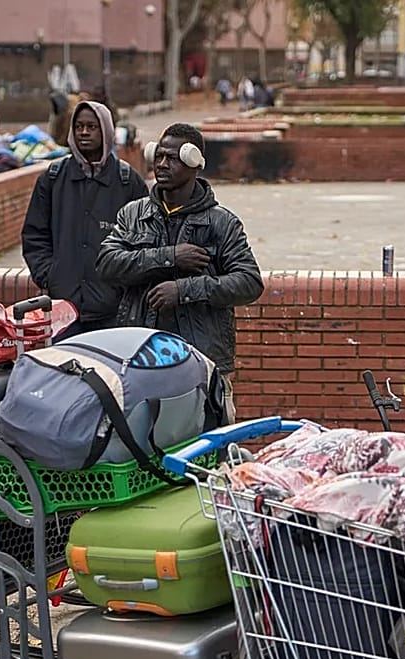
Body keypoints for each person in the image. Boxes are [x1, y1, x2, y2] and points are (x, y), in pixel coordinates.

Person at [96, 123, 264, 423]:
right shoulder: (133, 214)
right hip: (141, 358)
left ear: (193, 162)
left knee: (210, 443)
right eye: (158, 155)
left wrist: (185, 290)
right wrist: (170, 257)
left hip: (202, 362)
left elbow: (249, 282)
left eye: (172, 158)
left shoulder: (221, 223)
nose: (161, 164)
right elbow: (107, 263)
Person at [22, 100, 149, 340]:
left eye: (92, 127)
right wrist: (50, 275)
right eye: (79, 126)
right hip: (64, 308)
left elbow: (144, 240)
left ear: (106, 131)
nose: (84, 132)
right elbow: (34, 235)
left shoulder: (127, 181)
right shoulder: (53, 178)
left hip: (113, 310)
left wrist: (122, 283)